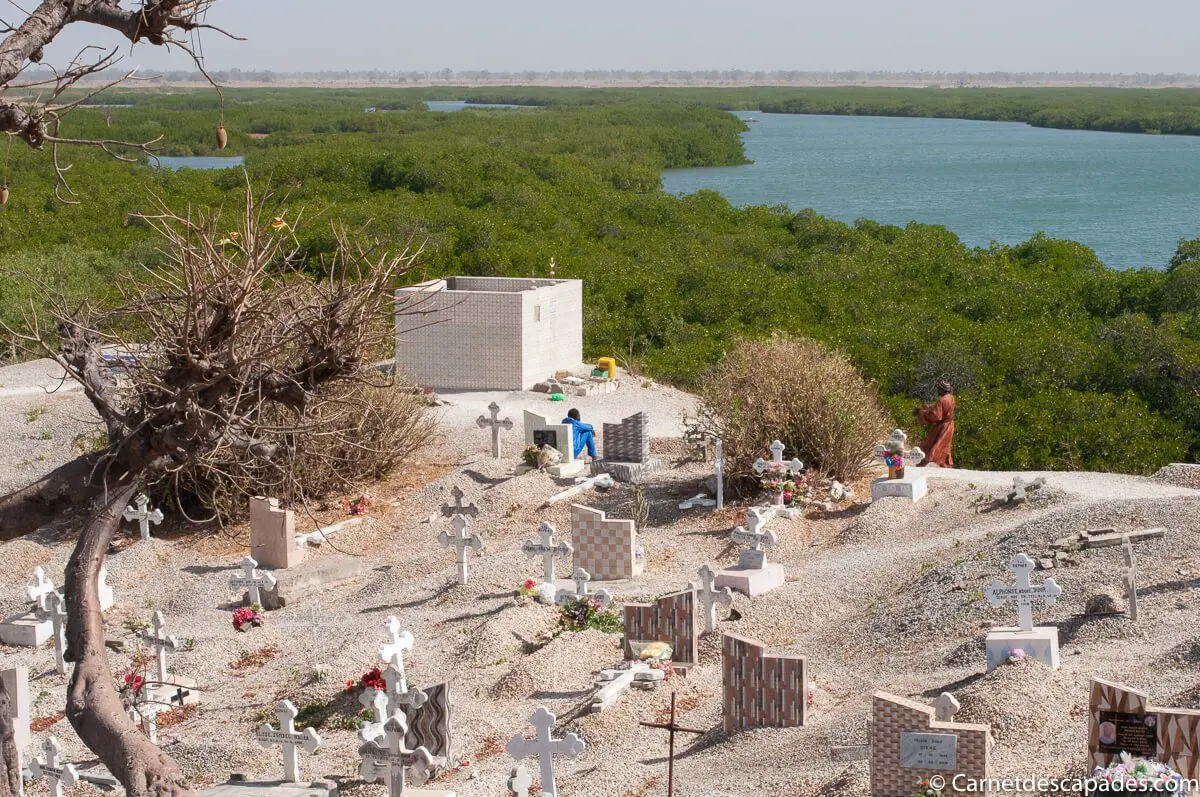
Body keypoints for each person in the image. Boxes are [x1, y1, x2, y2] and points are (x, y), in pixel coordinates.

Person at [913, 379, 955, 467]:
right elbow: (943, 410)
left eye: (939, 389)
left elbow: (936, 416)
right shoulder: (951, 397)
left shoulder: (942, 400)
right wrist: (931, 407)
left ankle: (924, 463)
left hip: (942, 427)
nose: (937, 390)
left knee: (933, 444)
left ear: (943, 390)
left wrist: (921, 412)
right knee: (944, 445)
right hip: (949, 425)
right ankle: (945, 464)